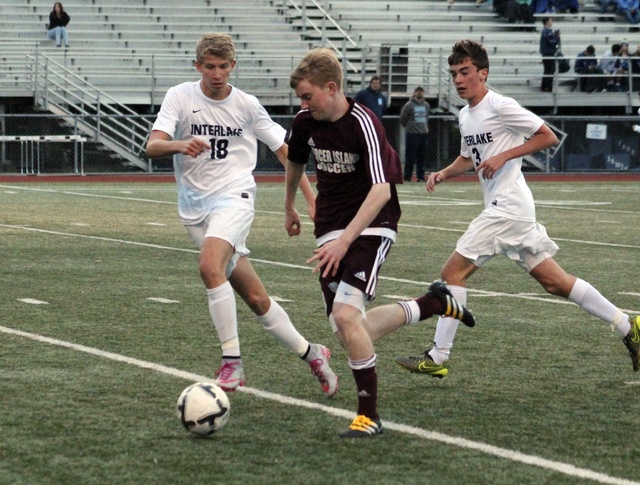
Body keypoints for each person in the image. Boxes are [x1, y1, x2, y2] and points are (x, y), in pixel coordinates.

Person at [394, 39, 640, 379]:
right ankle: (629, 325)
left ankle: (437, 357)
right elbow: (470, 157)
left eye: (465, 72)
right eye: (454, 74)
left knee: (452, 274)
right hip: (514, 210)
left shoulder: (500, 105)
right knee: (555, 283)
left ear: (483, 73)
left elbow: (547, 136)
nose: (458, 79)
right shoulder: (466, 115)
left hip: (507, 207)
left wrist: (506, 155)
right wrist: (445, 172)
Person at [284, 48, 476, 438]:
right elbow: (296, 161)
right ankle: (433, 303)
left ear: (332, 88)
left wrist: (344, 243)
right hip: (330, 226)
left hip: (373, 223)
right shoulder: (306, 121)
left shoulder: (364, 122)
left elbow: (381, 191)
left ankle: (368, 415)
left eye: (308, 96)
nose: (303, 105)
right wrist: (289, 204)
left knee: (344, 317)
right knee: (350, 329)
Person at [145, 32, 339, 398]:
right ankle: (312, 353)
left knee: (209, 267)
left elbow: (287, 151)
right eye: (209, 67)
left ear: (233, 66)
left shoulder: (247, 105)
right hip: (194, 209)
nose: (216, 74)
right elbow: (153, 144)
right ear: (197, 66)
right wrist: (178, 144)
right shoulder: (180, 96)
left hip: (235, 197)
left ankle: (231, 361)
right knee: (255, 297)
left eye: (223, 67)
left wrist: (306, 199)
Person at [399, 86, 430, 182]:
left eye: (421, 91)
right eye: (418, 91)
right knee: (410, 156)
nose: (419, 93)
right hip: (412, 134)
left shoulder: (426, 105)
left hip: (423, 134)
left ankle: (420, 176)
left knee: (421, 157)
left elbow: (427, 117)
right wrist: (409, 127)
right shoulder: (408, 105)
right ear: (414, 93)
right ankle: (407, 177)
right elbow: (403, 118)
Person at [539, 17, 560, 92]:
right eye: (550, 21)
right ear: (547, 22)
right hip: (548, 53)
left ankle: (544, 87)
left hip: (547, 53)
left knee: (547, 71)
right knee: (549, 71)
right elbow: (553, 41)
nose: (551, 22)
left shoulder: (546, 31)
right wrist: (557, 36)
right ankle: (547, 87)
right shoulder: (547, 32)